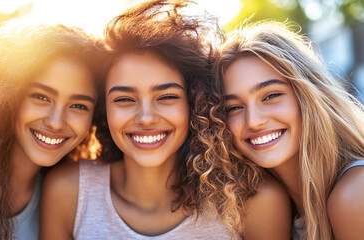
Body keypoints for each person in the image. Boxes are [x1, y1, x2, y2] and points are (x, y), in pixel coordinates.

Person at [40, 1, 290, 239]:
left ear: (194, 104)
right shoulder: (69, 193)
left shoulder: (254, 201)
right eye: (124, 99)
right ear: (104, 110)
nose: (146, 117)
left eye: (167, 97)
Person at [0, 18, 102, 240]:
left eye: (79, 105)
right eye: (41, 97)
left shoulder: (72, 200)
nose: (56, 122)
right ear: (4, 97)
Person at [214, 21, 364, 240]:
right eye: (234, 108)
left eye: (271, 96)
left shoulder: (354, 193)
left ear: (308, 94)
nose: (254, 121)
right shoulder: (259, 205)